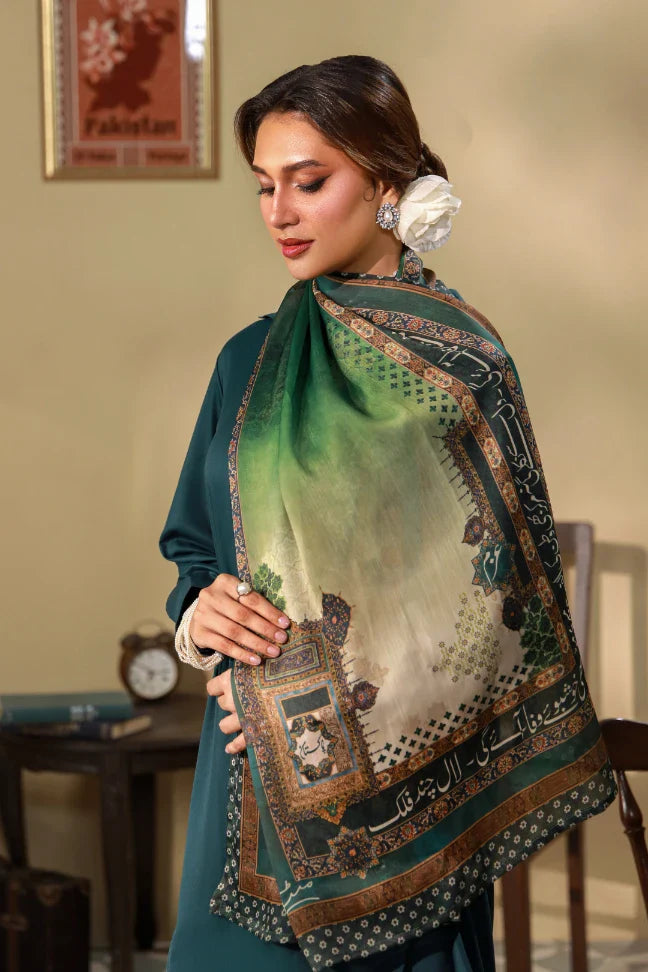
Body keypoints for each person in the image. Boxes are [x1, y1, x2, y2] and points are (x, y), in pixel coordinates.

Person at [159, 55, 616, 972]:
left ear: (386, 182)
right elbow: (194, 550)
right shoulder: (247, 362)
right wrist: (197, 620)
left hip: (409, 819)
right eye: (263, 187)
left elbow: (500, 615)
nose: (279, 213)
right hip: (244, 786)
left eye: (309, 182)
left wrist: (300, 704)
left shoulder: (458, 365)